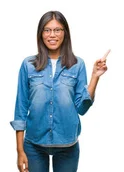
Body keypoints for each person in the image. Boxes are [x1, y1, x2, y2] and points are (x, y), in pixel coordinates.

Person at [12, 11, 109, 172]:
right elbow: (20, 108)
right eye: (47, 30)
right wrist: (19, 150)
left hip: (67, 145)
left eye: (57, 30)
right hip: (34, 144)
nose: (52, 35)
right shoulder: (28, 64)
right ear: (41, 34)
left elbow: (82, 108)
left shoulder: (78, 64)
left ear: (65, 33)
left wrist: (95, 77)